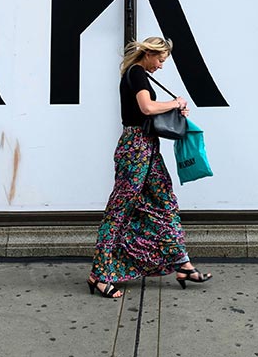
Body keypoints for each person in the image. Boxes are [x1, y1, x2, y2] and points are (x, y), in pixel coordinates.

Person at [87, 37, 213, 298]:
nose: (161, 66)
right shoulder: (136, 73)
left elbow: (149, 110)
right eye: (160, 60)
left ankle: (183, 264)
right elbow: (147, 107)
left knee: (165, 202)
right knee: (119, 209)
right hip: (135, 149)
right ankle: (99, 275)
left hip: (148, 147)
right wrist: (176, 103)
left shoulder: (140, 74)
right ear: (149, 53)